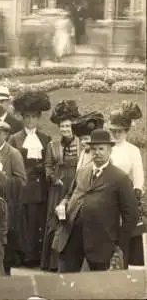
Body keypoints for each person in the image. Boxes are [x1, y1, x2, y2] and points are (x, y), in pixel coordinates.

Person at [52, 129, 138, 272]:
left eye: (101, 148)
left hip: (101, 242)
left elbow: (131, 216)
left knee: (98, 287)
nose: (97, 152)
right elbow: (69, 194)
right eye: (93, 149)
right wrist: (62, 204)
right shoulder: (83, 171)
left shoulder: (120, 178)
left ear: (110, 150)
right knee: (67, 282)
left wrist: (117, 244)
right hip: (72, 236)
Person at [8, 90, 52, 267]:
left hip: (39, 187)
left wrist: (42, 169)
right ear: (22, 118)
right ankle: (22, 255)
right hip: (22, 187)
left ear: (38, 118)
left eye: (33, 117)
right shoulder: (15, 138)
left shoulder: (45, 138)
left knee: (36, 220)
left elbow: (49, 161)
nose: (30, 121)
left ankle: (35, 256)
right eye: (26, 117)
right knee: (22, 221)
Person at [41, 100, 81, 272]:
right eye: (62, 127)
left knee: (72, 220)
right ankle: (52, 263)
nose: (65, 129)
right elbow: (48, 165)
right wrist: (53, 178)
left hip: (74, 186)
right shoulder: (52, 145)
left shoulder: (81, 144)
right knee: (55, 221)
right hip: (57, 188)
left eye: (68, 126)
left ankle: (69, 262)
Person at [0, 121, 27, 275]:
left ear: (6, 135)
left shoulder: (13, 153)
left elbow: (22, 180)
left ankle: (6, 271)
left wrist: (3, 179)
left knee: (5, 237)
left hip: (7, 202)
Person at [108, 101, 144, 266]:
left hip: (125, 194)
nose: (116, 135)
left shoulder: (132, 150)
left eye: (120, 131)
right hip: (106, 193)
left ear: (126, 131)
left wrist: (136, 193)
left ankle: (123, 262)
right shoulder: (106, 148)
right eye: (114, 131)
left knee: (124, 233)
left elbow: (138, 175)